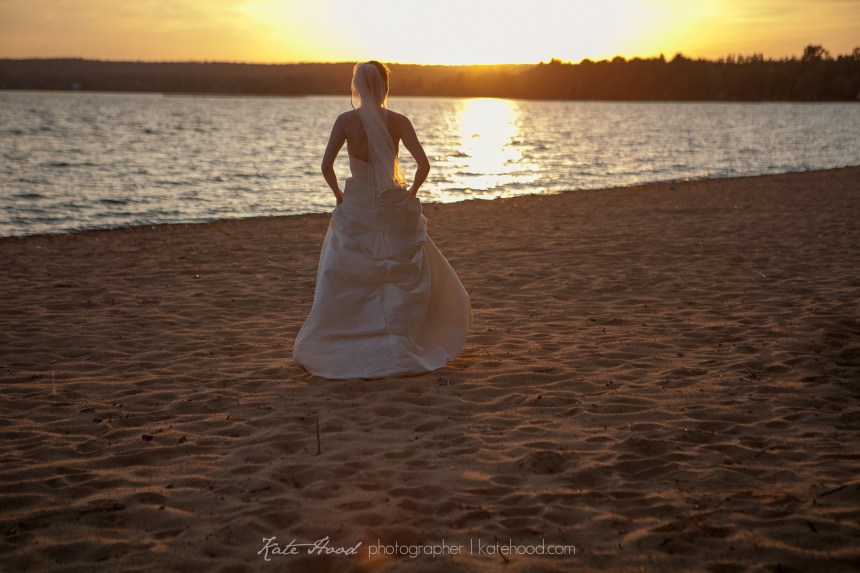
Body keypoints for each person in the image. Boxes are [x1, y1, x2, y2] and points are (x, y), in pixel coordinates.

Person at [292, 61, 472, 379]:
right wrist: (412, 193)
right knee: (400, 269)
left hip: (358, 202)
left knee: (350, 269)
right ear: (385, 87)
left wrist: (338, 195)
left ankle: (354, 335)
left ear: (359, 87)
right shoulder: (399, 122)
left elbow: (325, 166)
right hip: (393, 201)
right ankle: (403, 335)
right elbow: (424, 165)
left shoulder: (346, 121)